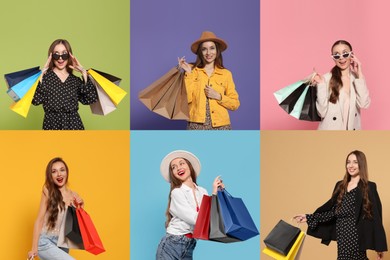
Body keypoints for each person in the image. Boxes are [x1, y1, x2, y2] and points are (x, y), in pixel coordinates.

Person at [294, 150, 387, 260]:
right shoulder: (340, 186)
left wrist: (379, 246)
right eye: (348, 162)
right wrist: (308, 217)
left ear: (361, 164)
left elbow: (376, 216)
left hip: (356, 237)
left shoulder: (369, 187)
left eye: (355, 162)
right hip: (342, 236)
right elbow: (333, 212)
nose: (351, 166)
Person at [156, 150, 224, 259]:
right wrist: (213, 196)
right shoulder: (177, 193)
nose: (178, 168)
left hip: (189, 245)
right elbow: (197, 219)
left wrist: (218, 193)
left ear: (189, 166)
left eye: (181, 163)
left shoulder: (202, 191)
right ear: (173, 174)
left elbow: (211, 217)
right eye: (173, 167)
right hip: (172, 245)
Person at [178, 31, 240, 130]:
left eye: (212, 48)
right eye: (204, 49)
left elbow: (235, 104)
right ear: (200, 52)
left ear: (217, 50)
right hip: (196, 125)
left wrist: (218, 96)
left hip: (221, 126)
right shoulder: (192, 71)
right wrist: (188, 74)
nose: (208, 53)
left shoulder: (226, 74)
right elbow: (185, 100)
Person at [32, 39, 98, 130]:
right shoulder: (45, 79)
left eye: (64, 54)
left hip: (74, 126)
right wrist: (41, 75)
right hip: (51, 126)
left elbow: (90, 99)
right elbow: (36, 101)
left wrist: (84, 73)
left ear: (69, 55)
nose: (60, 58)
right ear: (51, 56)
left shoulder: (75, 81)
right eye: (56, 54)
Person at [27, 157, 84, 260]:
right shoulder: (48, 190)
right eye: (54, 171)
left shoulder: (74, 195)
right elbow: (39, 219)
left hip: (63, 243)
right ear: (51, 176)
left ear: (67, 172)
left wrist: (80, 207)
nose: (59, 174)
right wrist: (34, 247)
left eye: (62, 170)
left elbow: (77, 226)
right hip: (46, 242)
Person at [312, 40, 370, 130]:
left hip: (351, 136)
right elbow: (321, 113)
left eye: (345, 54)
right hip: (330, 136)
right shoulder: (325, 79)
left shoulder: (357, 79)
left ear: (352, 55)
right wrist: (321, 85)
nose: (341, 58)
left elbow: (364, 104)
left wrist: (360, 74)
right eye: (336, 55)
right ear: (333, 58)